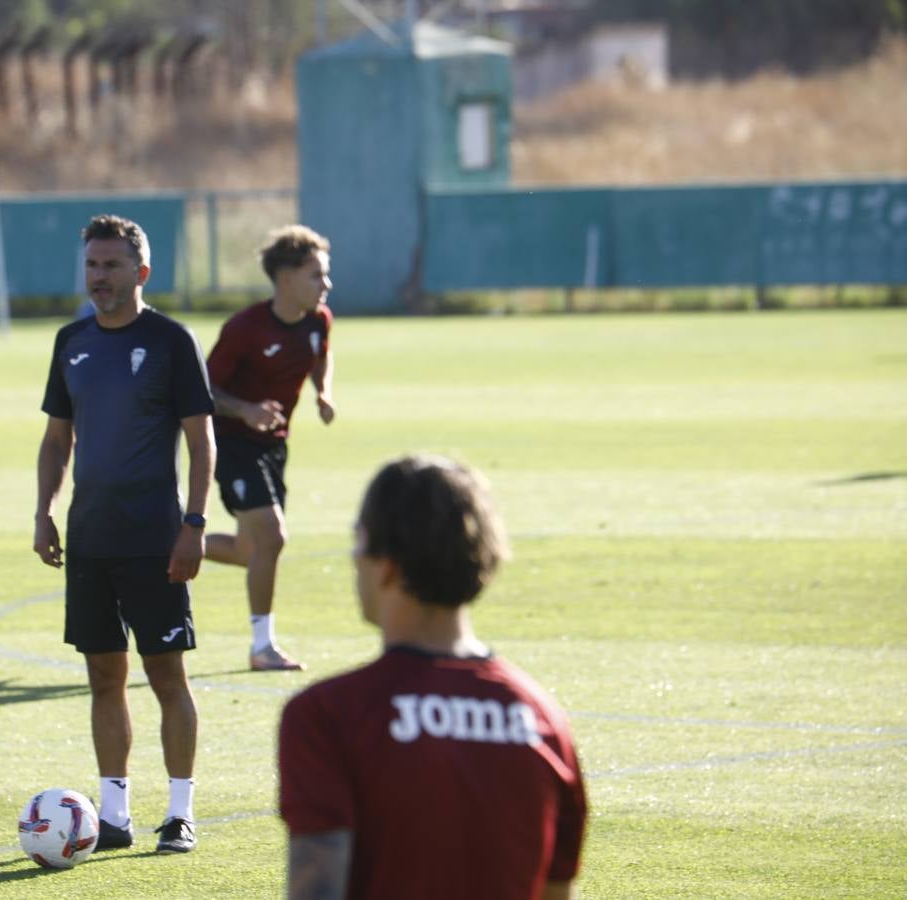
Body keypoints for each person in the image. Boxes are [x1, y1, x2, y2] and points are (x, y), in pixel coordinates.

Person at [278, 455, 588, 899]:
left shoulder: (329, 715)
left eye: (358, 543)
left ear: (386, 564)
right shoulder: (543, 719)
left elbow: (317, 889)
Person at [34, 214, 215, 855]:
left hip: (155, 537)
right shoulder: (70, 340)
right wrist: (44, 511)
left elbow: (201, 440)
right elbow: (58, 439)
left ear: (141, 272)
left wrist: (194, 525)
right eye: (90, 265)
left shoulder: (171, 340)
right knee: (104, 677)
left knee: (167, 676)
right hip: (89, 538)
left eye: (110, 266)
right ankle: (113, 816)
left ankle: (180, 813)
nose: (98, 277)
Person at [204, 225, 336, 672]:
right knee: (273, 536)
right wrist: (244, 410)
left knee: (250, 551)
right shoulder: (245, 328)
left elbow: (320, 355)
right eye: (316, 275)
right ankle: (262, 646)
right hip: (231, 441)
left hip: (274, 446)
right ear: (285, 279)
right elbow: (201, 388)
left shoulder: (320, 320)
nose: (326, 285)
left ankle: (168, 543)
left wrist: (323, 392)